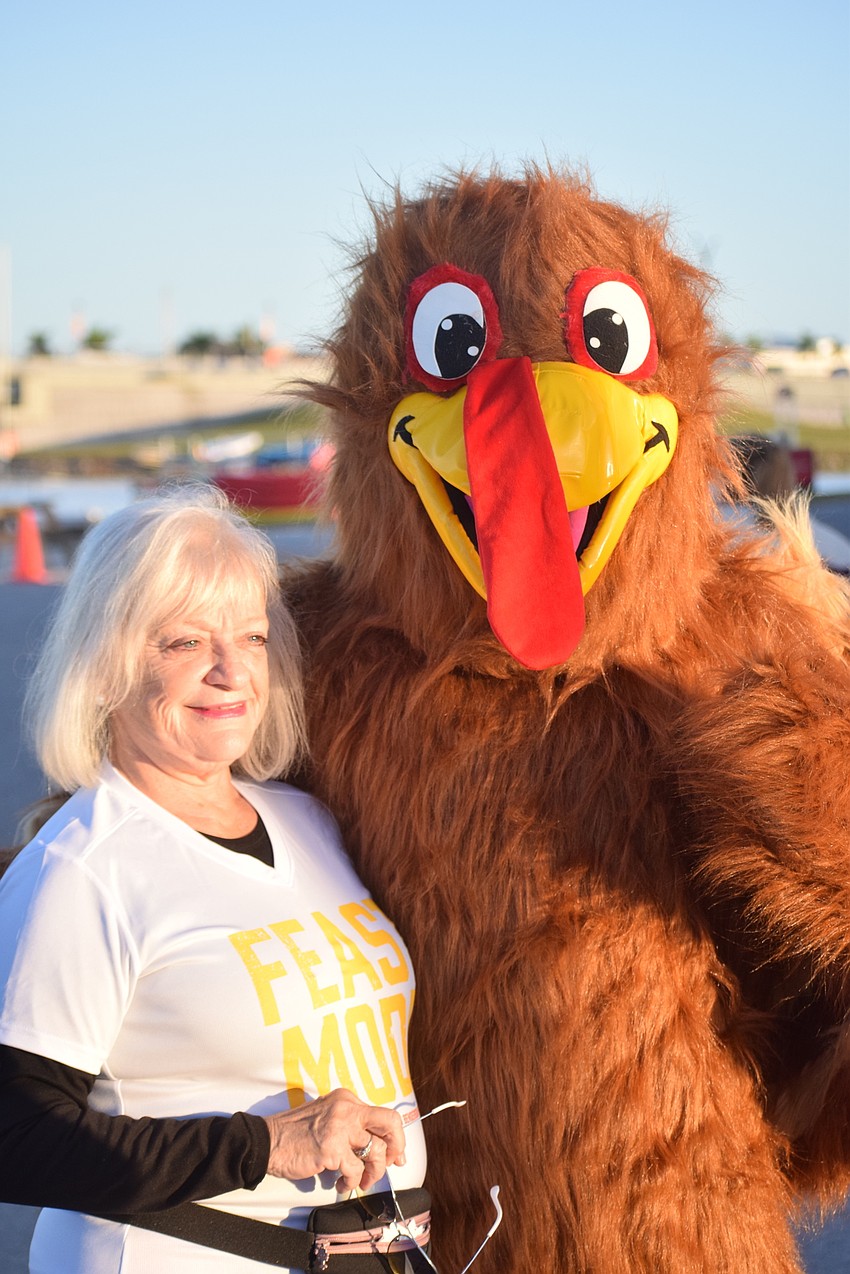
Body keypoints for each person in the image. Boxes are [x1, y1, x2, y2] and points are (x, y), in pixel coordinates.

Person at [0, 486, 426, 1273]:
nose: (231, 671)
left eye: (252, 636)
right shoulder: (83, 869)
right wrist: (266, 1145)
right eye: (182, 644)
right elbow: (16, 1135)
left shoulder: (310, 822)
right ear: (102, 670)